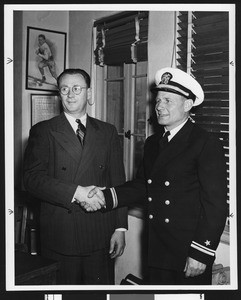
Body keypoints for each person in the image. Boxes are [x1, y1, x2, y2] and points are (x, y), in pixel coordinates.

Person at [80, 67, 228, 285]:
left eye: (168, 101)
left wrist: (201, 253)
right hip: (157, 246)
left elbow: (215, 204)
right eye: (158, 100)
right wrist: (106, 195)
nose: (159, 106)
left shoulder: (204, 143)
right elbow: (143, 186)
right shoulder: (152, 144)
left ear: (188, 105)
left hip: (187, 251)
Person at [23, 68, 128, 285]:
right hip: (61, 233)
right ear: (59, 95)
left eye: (77, 88)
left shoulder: (107, 132)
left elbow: (117, 182)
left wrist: (119, 228)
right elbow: (31, 179)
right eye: (64, 89)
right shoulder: (43, 131)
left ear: (88, 94)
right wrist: (76, 193)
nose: (70, 94)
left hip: (100, 231)